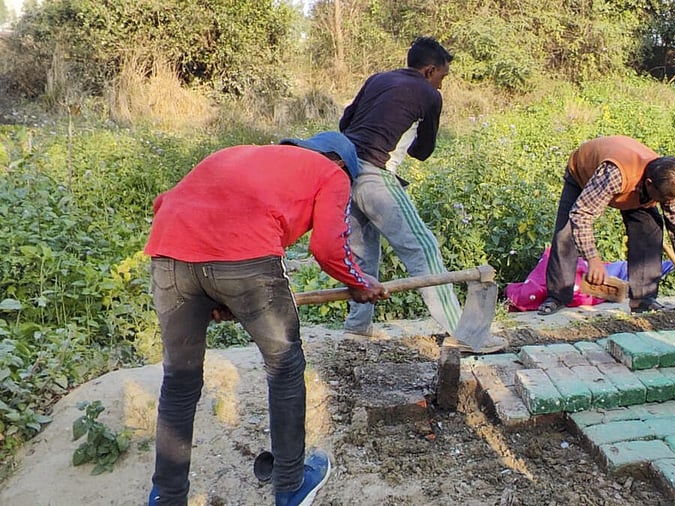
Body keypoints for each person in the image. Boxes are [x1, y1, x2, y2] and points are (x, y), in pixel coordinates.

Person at [144, 132, 388, 506]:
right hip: (244, 256)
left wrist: (217, 292)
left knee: (180, 379)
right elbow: (326, 248)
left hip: (168, 251)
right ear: (341, 164)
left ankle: (166, 496)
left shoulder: (235, 151)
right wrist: (359, 282)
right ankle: (291, 486)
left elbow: (169, 204)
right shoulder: (332, 173)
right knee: (285, 366)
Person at [339, 36, 506, 353]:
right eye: (443, 77)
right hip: (376, 174)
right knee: (424, 248)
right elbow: (424, 151)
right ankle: (465, 334)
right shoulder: (428, 94)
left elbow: (346, 121)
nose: (442, 85)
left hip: (344, 173)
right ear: (430, 70)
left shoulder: (378, 79)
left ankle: (358, 327)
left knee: (362, 253)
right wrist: (409, 135)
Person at [538, 135, 675, 315]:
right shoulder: (614, 174)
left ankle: (643, 299)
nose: (668, 203)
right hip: (583, 175)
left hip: (635, 186)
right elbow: (581, 215)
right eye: (664, 199)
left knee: (650, 230)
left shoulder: (668, 184)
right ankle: (557, 295)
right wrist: (593, 260)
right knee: (566, 234)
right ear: (649, 184)